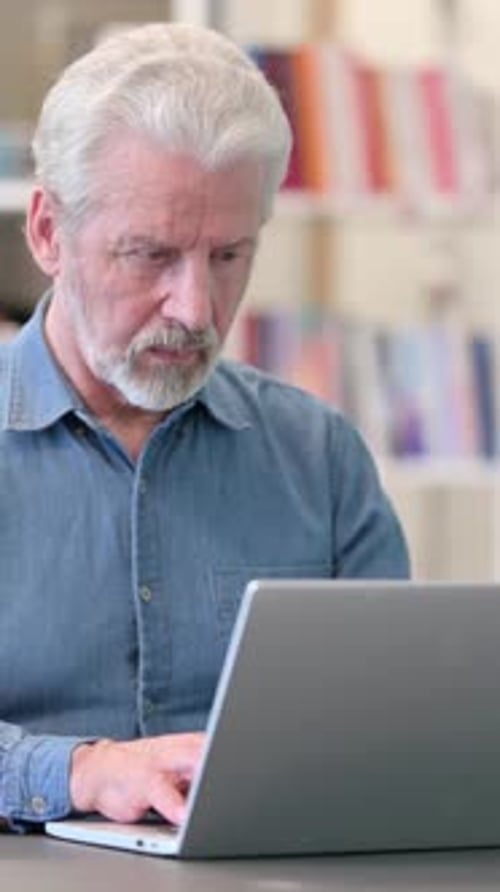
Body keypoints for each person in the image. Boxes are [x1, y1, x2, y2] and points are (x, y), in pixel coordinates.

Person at [0, 21, 410, 832]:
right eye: (150, 254)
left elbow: (398, 725)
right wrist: (80, 771)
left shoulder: (318, 458)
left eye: (228, 257)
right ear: (48, 232)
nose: (195, 309)